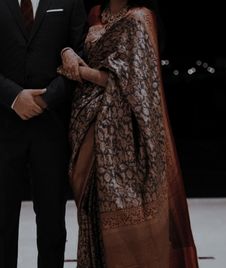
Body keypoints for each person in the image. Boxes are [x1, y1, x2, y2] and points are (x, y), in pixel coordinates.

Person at [60, 0, 199, 267]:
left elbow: (138, 80)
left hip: (128, 133)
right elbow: (78, 48)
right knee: (92, 206)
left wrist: (83, 73)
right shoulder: (94, 14)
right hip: (88, 123)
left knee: (130, 209)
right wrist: (68, 53)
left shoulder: (141, 18)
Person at [0, 0, 86, 267]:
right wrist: (13, 97)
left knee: (51, 221)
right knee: (1, 219)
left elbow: (83, 54)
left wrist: (48, 98)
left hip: (51, 125)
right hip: (3, 125)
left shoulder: (69, 2)